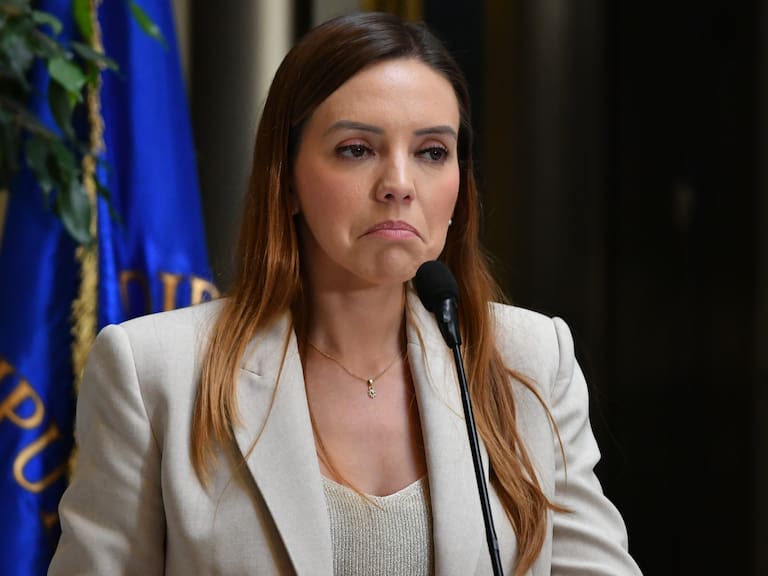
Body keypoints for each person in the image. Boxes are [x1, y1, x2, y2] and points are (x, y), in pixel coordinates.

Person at [49, 11, 642, 576]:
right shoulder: (155, 372)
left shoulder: (529, 357)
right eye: (357, 149)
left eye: (432, 152)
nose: (399, 185)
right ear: (286, 180)